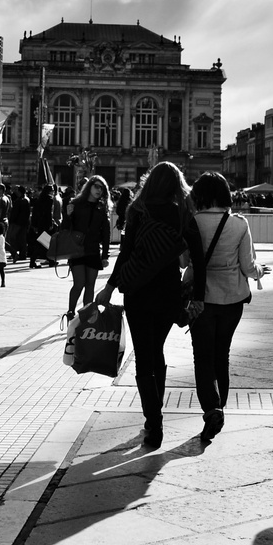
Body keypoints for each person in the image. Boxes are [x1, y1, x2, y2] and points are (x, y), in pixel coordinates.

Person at [97, 162, 195, 451]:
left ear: (150, 182)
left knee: (143, 357)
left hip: (138, 292)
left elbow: (125, 254)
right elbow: (191, 254)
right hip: (167, 290)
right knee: (157, 353)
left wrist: (110, 286)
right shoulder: (181, 211)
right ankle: (156, 413)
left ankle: (154, 420)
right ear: (176, 184)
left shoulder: (138, 210)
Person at [185, 172, 269, 446]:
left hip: (202, 298)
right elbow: (247, 265)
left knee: (202, 356)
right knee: (222, 354)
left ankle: (212, 408)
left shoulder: (193, 222)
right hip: (233, 300)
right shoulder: (239, 224)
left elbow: (184, 260)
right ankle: (221, 404)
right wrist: (259, 272)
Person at [63, 175, 113, 315]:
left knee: (90, 285)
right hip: (76, 250)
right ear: (89, 186)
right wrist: (68, 215)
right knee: (79, 283)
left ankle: (86, 315)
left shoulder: (102, 208)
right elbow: (65, 229)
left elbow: (106, 234)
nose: (99, 190)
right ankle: (71, 312)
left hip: (93, 250)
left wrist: (105, 256)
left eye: (102, 188)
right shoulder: (76, 204)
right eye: (96, 186)